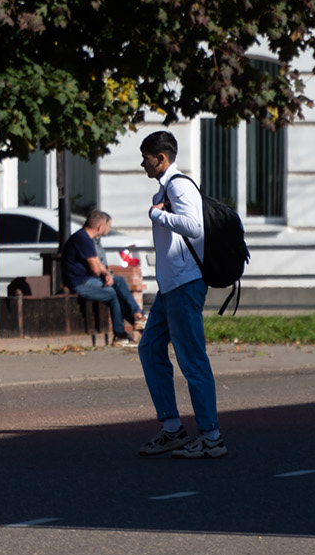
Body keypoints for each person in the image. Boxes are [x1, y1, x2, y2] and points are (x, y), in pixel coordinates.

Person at [136, 130, 226, 459]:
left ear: (161, 158)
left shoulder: (178, 185)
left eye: (146, 156)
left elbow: (194, 225)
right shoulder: (166, 188)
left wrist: (156, 214)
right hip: (170, 286)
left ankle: (212, 437)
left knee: (192, 360)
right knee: (149, 348)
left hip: (186, 284)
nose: (142, 162)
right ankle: (173, 428)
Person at [62, 209, 145, 347]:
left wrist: (106, 274)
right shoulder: (83, 239)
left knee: (118, 283)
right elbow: (94, 268)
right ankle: (129, 326)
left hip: (86, 281)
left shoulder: (84, 237)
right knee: (113, 294)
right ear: (100, 227)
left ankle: (136, 322)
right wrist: (105, 274)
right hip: (80, 284)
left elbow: (97, 262)